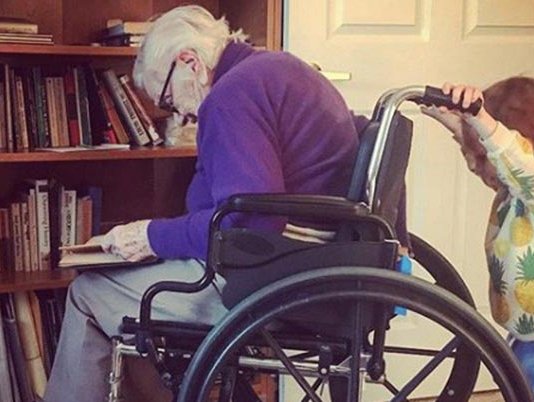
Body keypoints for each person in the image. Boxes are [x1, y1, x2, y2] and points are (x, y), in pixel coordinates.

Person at [43, 5, 362, 401]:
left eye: (169, 101)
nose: (179, 115)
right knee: (124, 301)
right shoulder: (277, 69)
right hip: (313, 265)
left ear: (189, 62)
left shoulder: (232, 95)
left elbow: (247, 223)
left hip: (271, 279)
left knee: (89, 293)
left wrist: (150, 237)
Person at [423, 76, 534, 387]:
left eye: (483, 156)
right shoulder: (514, 193)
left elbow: (515, 158)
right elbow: (498, 159)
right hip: (525, 334)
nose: (473, 165)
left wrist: (481, 118)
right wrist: (455, 123)